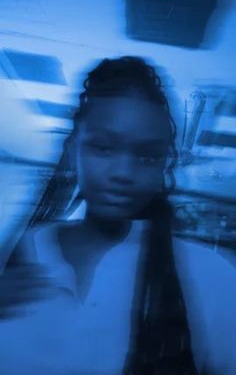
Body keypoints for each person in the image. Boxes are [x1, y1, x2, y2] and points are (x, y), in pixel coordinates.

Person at [0, 56, 198, 374]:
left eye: (147, 156)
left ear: (164, 163)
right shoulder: (21, 249)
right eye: (104, 148)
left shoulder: (205, 276)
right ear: (74, 148)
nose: (123, 172)